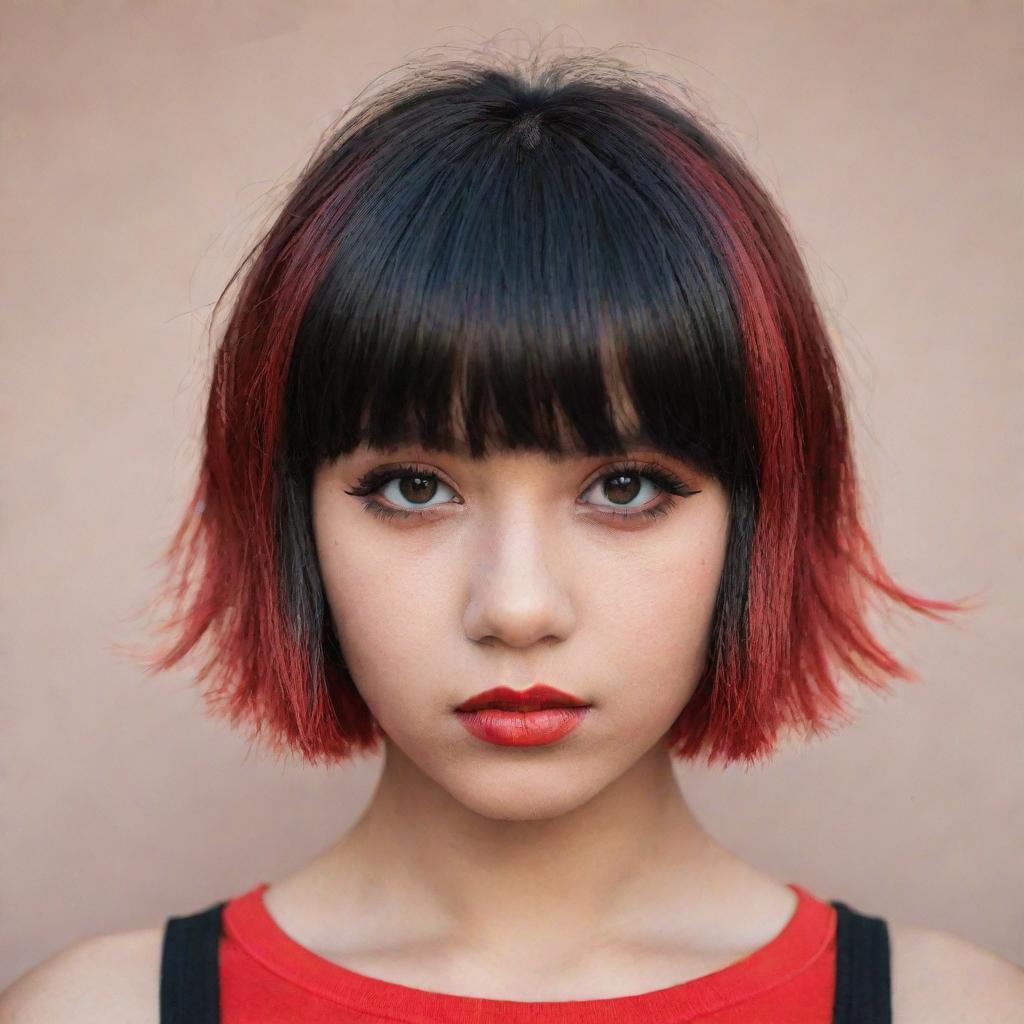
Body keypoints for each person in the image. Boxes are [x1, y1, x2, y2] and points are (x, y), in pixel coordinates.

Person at [3, 48, 1021, 1024]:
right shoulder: (100, 1013)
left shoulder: (951, 1010)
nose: (517, 607)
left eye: (624, 487)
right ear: (288, 515)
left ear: (761, 515)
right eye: (412, 487)